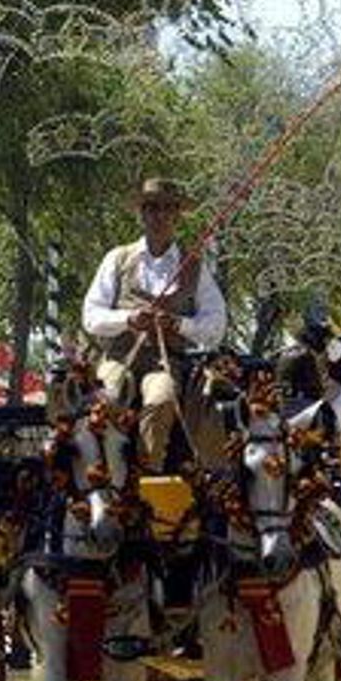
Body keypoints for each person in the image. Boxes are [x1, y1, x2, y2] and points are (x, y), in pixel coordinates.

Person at [83, 177, 227, 472]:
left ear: (177, 216)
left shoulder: (194, 265)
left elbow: (215, 325)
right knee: (107, 397)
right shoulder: (117, 258)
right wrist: (128, 319)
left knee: (162, 400)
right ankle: (106, 478)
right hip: (117, 360)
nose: (159, 215)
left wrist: (178, 324)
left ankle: (150, 475)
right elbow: (91, 316)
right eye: (152, 208)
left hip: (164, 363)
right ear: (141, 214)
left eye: (167, 209)